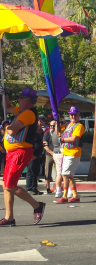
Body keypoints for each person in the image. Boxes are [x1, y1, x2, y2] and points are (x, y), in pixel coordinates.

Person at [1, 87, 46, 226]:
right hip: (13, 153)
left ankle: (37, 205)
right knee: (6, 185)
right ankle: (9, 218)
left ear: (27, 100)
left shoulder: (28, 114)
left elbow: (12, 131)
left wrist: (6, 125)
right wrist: (5, 94)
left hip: (20, 153)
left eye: (20, 97)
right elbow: (7, 106)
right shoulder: (21, 112)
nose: (18, 99)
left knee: (10, 185)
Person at [55, 106, 85, 204]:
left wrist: (62, 140)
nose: (73, 116)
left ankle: (64, 196)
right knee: (70, 175)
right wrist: (56, 121)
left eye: (75, 114)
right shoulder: (69, 125)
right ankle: (75, 195)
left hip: (73, 152)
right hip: (66, 152)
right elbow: (58, 132)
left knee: (65, 174)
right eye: (71, 114)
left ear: (78, 115)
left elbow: (73, 139)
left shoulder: (79, 126)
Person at [25, 118, 44, 195]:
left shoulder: (38, 134)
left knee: (36, 172)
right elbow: (28, 145)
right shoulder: (30, 135)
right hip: (32, 156)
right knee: (31, 172)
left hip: (37, 156)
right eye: (37, 126)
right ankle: (29, 188)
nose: (38, 127)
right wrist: (31, 154)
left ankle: (34, 188)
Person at [43, 120, 61, 194]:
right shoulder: (46, 134)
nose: (52, 127)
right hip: (49, 154)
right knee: (47, 171)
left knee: (58, 172)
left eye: (54, 126)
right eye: (51, 126)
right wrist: (52, 153)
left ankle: (58, 188)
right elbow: (45, 145)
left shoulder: (59, 134)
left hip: (58, 154)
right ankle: (48, 188)